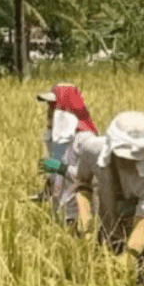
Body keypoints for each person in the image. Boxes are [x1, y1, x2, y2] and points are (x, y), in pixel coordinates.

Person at [72, 111, 144, 286]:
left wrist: (126, 260)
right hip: (110, 231)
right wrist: (87, 228)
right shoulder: (92, 150)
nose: (128, 160)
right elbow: (82, 184)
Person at [34, 83, 98, 230]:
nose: (49, 111)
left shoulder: (86, 140)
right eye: (49, 106)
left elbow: (93, 178)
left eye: (53, 106)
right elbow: (54, 175)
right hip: (60, 214)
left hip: (78, 216)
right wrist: (44, 193)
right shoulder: (55, 138)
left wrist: (61, 168)